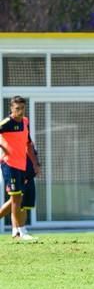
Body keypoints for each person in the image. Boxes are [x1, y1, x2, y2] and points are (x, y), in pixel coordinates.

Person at [0, 96, 40, 241]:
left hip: (24, 165)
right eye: (17, 108)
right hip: (9, 164)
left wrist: (35, 163)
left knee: (20, 198)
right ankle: (20, 231)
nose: (20, 111)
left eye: (22, 108)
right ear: (11, 109)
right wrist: (3, 147)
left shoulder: (25, 122)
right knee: (16, 197)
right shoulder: (6, 123)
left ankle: (19, 230)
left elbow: (28, 143)